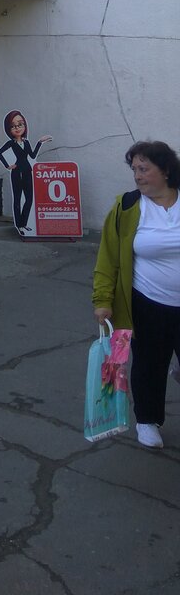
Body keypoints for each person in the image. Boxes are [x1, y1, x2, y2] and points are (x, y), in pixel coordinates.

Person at [92, 140, 180, 450]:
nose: (137, 176)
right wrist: (102, 301)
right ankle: (147, 420)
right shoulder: (128, 207)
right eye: (134, 170)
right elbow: (108, 259)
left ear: (165, 170)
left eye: (144, 169)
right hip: (147, 303)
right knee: (149, 365)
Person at [0, 110, 52, 235]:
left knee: (29, 199)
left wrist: (40, 142)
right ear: (9, 129)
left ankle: (24, 223)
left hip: (27, 171)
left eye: (20, 124)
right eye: (13, 126)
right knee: (17, 199)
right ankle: (19, 226)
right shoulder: (11, 143)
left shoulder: (26, 142)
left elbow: (32, 155)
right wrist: (8, 165)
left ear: (24, 126)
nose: (17, 128)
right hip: (16, 173)